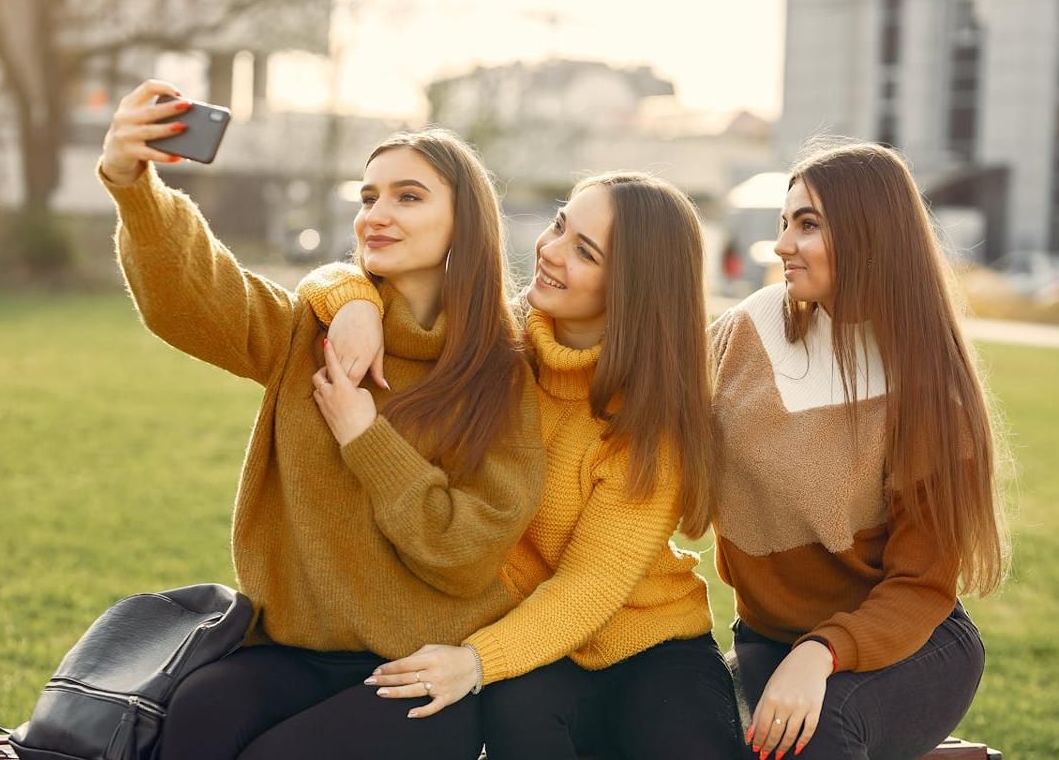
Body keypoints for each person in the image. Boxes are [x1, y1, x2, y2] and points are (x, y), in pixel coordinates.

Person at [96, 79, 546, 760]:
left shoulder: (501, 372)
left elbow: (466, 554)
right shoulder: (310, 331)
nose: (376, 214)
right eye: (367, 197)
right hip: (291, 649)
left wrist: (366, 437)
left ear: (465, 222)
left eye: (408, 196)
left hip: (420, 667)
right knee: (196, 717)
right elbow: (194, 297)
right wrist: (133, 185)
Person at [298, 172, 744, 758]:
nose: (550, 250)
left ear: (634, 289)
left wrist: (475, 661)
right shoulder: (492, 346)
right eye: (560, 225)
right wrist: (355, 301)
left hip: (651, 643)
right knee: (519, 715)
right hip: (529, 641)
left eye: (584, 251)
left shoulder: (652, 422)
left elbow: (588, 587)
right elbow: (350, 278)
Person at [710, 141, 1009, 760]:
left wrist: (821, 653)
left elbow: (920, 587)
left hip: (906, 644)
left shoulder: (930, 388)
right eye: (784, 222)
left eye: (808, 224)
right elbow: (647, 398)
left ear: (870, 234)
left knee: (812, 735)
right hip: (769, 638)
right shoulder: (751, 328)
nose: (782, 244)